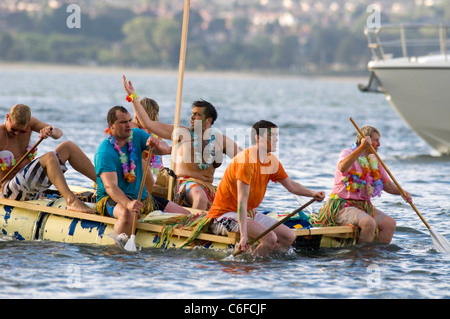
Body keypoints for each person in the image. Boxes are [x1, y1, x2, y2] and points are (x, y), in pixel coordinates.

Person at [206, 120, 325, 257]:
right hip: (224, 215)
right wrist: (244, 236)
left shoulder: (271, 161)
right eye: (272, 135)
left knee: (289, 237)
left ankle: (257, 259)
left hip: (250, 213)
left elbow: (290, 185)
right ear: (258, 138)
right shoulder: (245, 161)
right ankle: (251, 265)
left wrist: (313, 194)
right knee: (270, 238)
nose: (276, 139)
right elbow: (241, 202)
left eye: (276, 135)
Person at [123, 75, 242, 210]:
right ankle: (192, 227)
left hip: (208, 188)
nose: (192, 117)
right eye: (192, 113)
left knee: (236, 201)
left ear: (208, 120)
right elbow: (148, 123)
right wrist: (133, 96)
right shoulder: (181, 133)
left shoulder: (220, 140)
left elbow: (244, 158)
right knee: (199, 196)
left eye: (197, 114)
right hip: (184, 186)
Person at [94, 105, 190, 245]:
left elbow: (163, 149)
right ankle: (116, 250)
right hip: (111, 200)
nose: (128, 125)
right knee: (127, 214)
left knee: (187, 216)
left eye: (129, 120)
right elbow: (110, 187)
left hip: (143, 199)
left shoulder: (136, 135)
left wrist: (156, 144)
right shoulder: (105, 152)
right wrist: (128, 203)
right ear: (111, 125)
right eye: (123, 122)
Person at [312, 125, 412, 244]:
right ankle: (363, 256)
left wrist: (402, 192)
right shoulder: (347, 153)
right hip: (342, 205)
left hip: (364, 206)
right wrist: (361, 148)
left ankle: (378, 254)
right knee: (369, 223)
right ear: (366, 140)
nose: (379, 144)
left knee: (389, 223)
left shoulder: (374, 159)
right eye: (376, 140)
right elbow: (342, 167)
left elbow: (387, 185)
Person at [0, 104, 96, 213]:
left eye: (22, 131)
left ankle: (103, 185)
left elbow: (58, 133)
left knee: (68, 146)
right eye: (13, 129)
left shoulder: (31, 123)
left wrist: (50, 130)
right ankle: (71, 201)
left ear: (28, 123)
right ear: (7, 118)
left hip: (32, 184)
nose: (17, 133)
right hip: (11, 190)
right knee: (49, 157)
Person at [131, 97, 164, 194]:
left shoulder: (157, 135)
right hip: (133, 171)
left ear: (150, 116)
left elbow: (158, 166)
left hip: (148, 174)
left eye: (140, 113)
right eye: (136, 112)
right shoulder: (133, 127)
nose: (136, 115)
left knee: (164, 177)